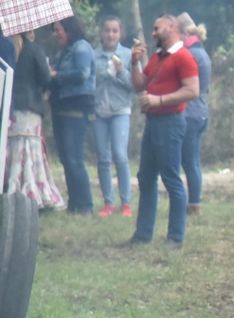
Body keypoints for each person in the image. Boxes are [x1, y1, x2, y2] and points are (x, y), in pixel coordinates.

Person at [129, 14, 199, 246]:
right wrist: (134, 62)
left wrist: (158, 101)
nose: (153, 33)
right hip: (154, 122)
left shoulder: (184, 57)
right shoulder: (158, 57)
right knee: (146, 177)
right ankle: (142, 235)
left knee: (171, 178)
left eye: (157, 28)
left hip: (171, 121)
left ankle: (176, 237)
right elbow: (140, 84)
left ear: (172, 27)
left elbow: (192, 91)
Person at [4, 30, 64, 209]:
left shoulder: (7, 49)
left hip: (11, 107)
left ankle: (11, 188)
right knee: (30, 150)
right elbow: (45, 78)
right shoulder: (33, 49)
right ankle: (34, 193)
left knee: (13, 150)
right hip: (30, 107)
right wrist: (51, 74)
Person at [48, 15, 96, 214]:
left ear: (69, 30)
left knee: (74, 157)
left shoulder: (81, 48)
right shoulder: (63, 52)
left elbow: (82, 73)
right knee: (66, 158)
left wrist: (56, 75)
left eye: (58, 30)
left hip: (75, 108)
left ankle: (85, 205)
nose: (56, 34)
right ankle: (74, 203)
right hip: (61, 108)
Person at [90, 15, 134, 217]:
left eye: (115, 31)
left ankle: (126, 202)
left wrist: (121, 71)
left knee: (120, 154)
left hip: (120, 110)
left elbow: (133, 85)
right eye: (107, 30)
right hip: (99, 110)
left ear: (120, 33)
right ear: (101, 32)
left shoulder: (128, 54)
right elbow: (89, 82)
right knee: (103, 157)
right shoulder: (93, 54)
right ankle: (108, 202)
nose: (110, 34)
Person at [176, 15, 211, 219]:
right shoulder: (201, 53)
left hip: (190, 113)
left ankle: (193, 204)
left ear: (185, 33)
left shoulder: (190, 55)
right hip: (201, 113)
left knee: (189, 162)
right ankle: (194, 202)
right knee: (193, 161)